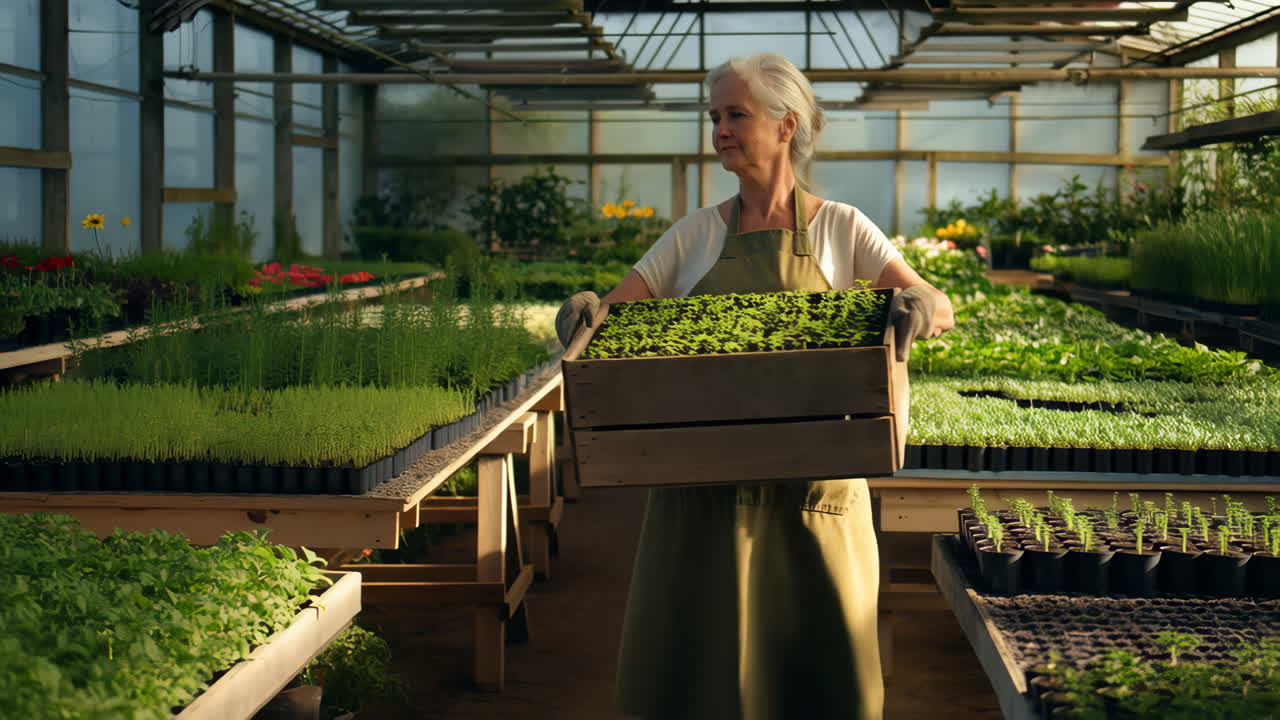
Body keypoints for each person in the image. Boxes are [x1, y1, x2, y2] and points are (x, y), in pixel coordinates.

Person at [555, 53, 954, 720]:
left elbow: (939, 306)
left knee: (817, 679)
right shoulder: (695, 236)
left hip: (812, 501)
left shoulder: (840, 228)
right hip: (702, 504)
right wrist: (586, 310)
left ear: (786, 125)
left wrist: (918, 303)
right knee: (703, 681)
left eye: (736, 115)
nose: (719, 131)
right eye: (714, 117)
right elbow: (611, 321)